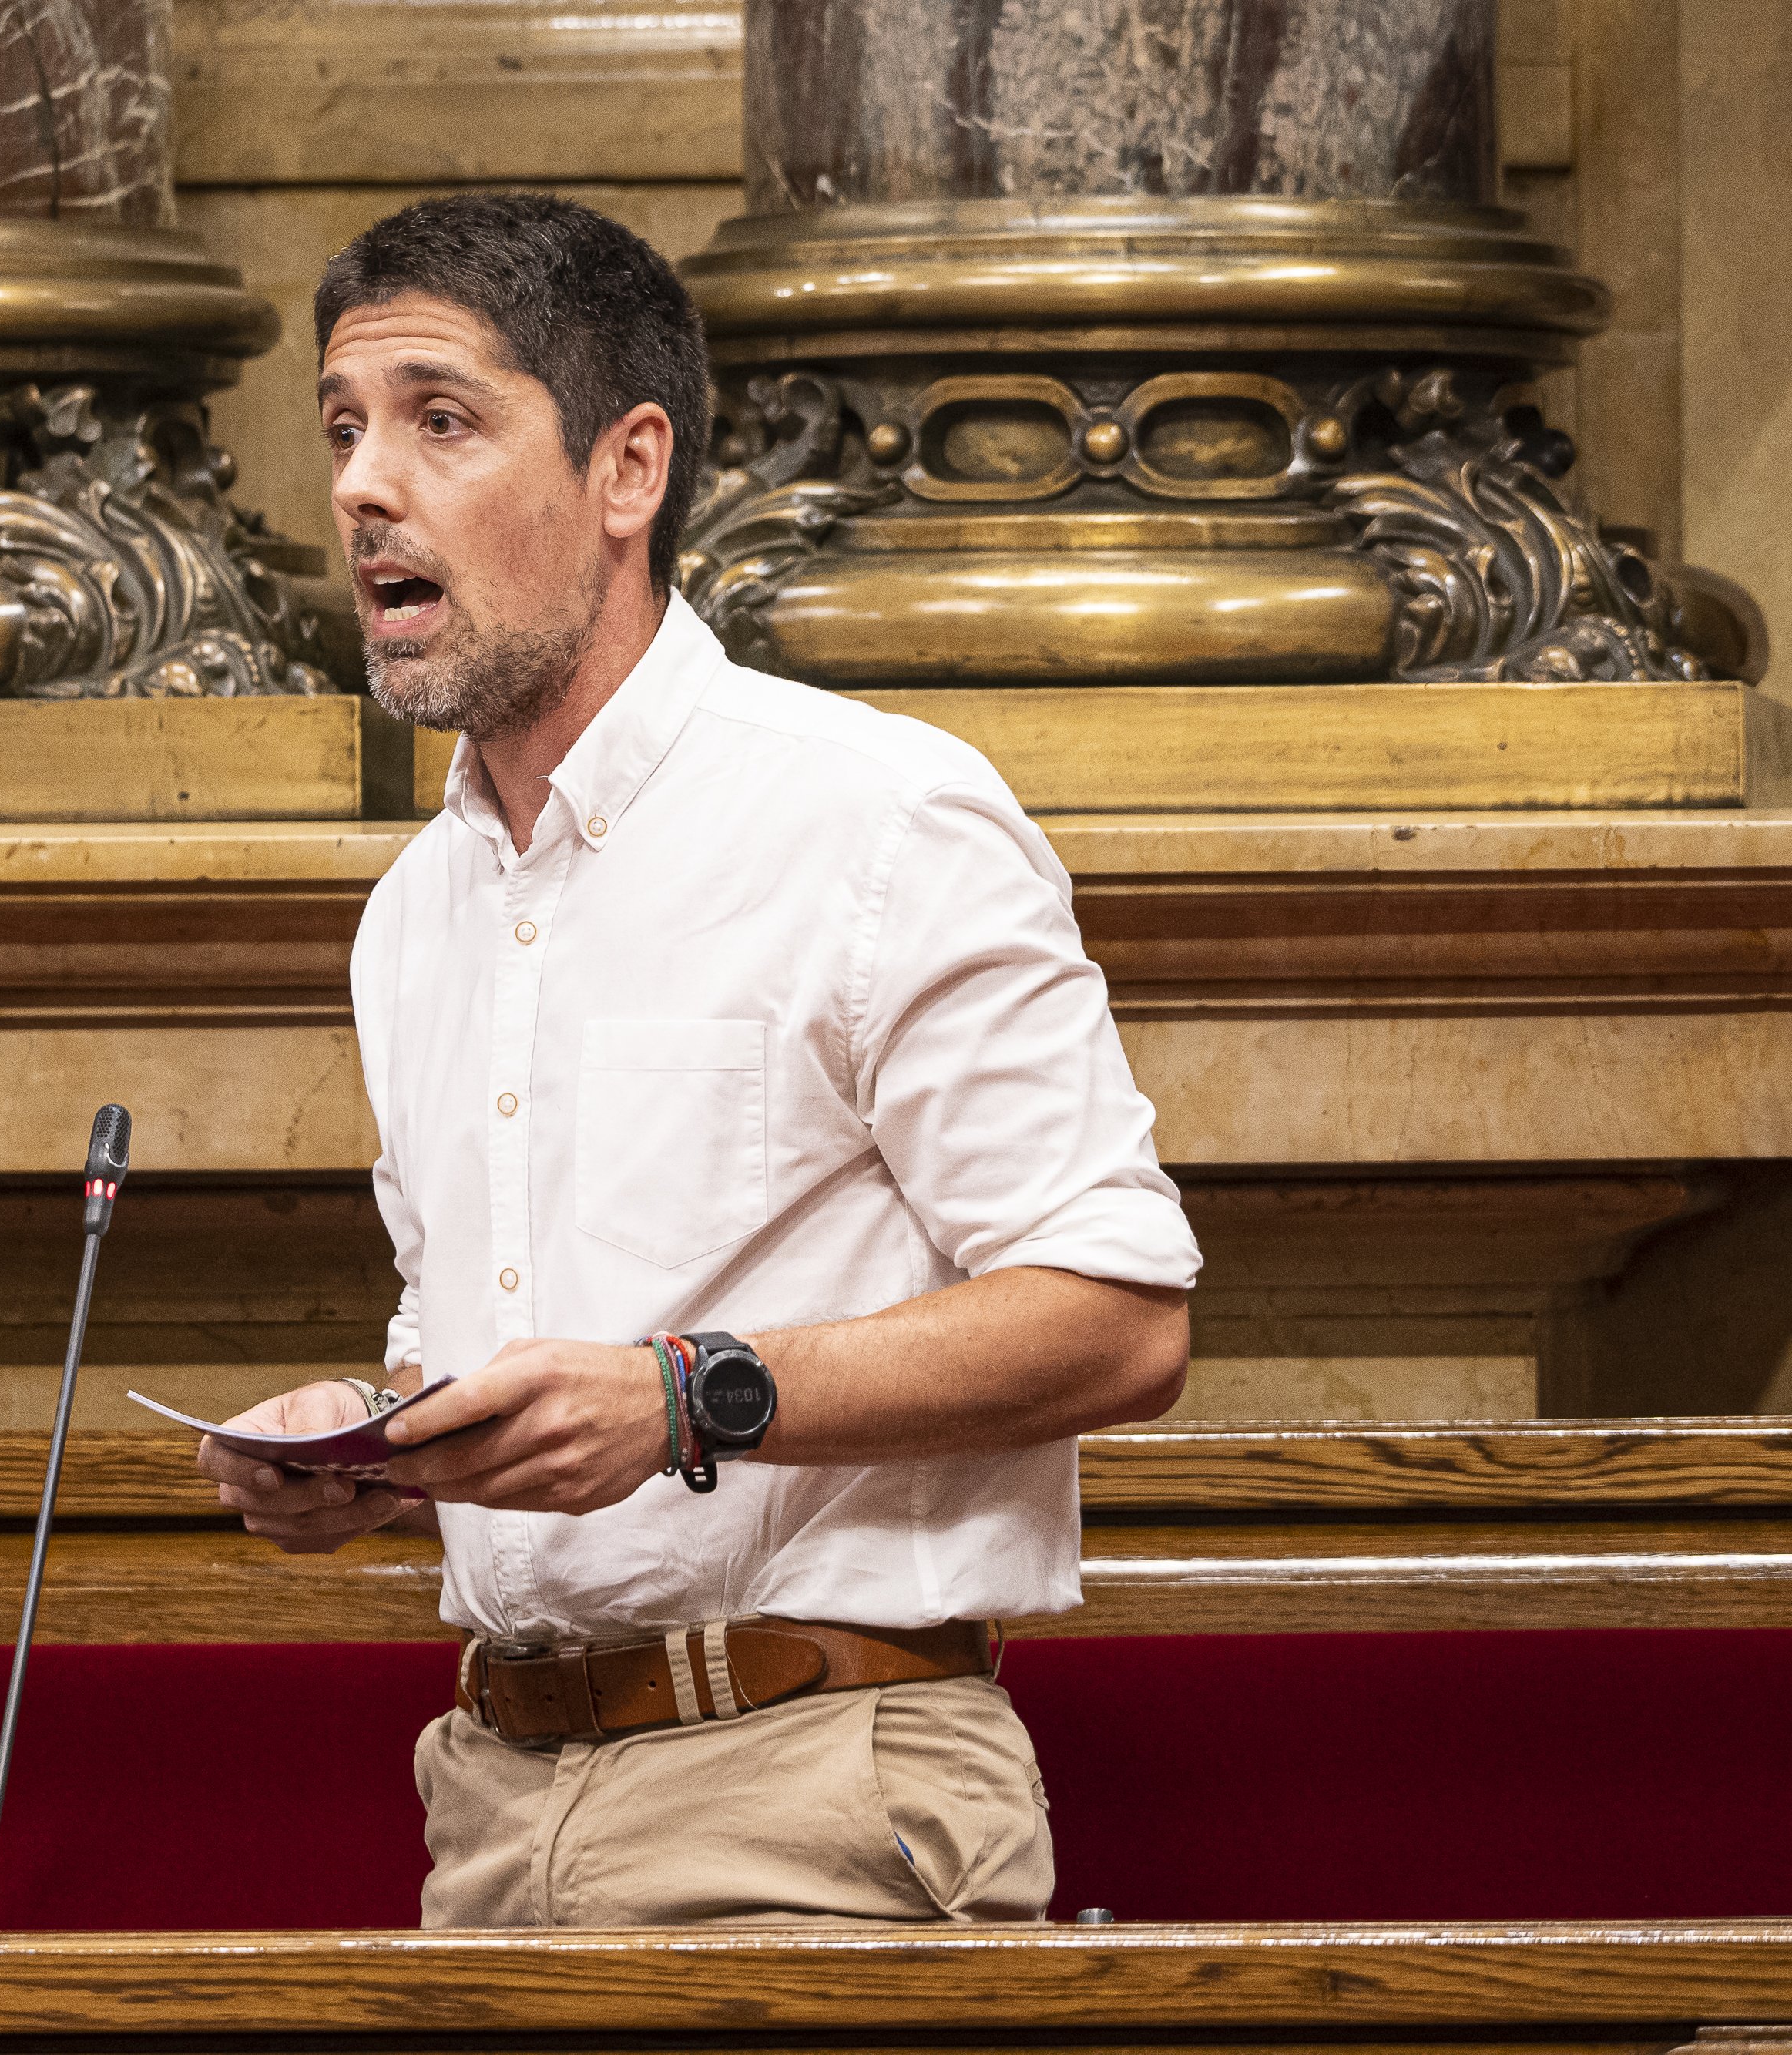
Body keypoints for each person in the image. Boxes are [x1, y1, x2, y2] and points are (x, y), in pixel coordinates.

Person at [198, 194, 1203, 1929]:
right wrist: (365, 1439)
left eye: (440, 419)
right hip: (491, 1808)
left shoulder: (876, 817)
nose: (364, 485)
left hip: (817, 1785)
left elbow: (1119, 1311)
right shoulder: (413, 912)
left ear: (624, 469)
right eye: (344, 427)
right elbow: (496, 1323)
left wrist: (680, 1397)